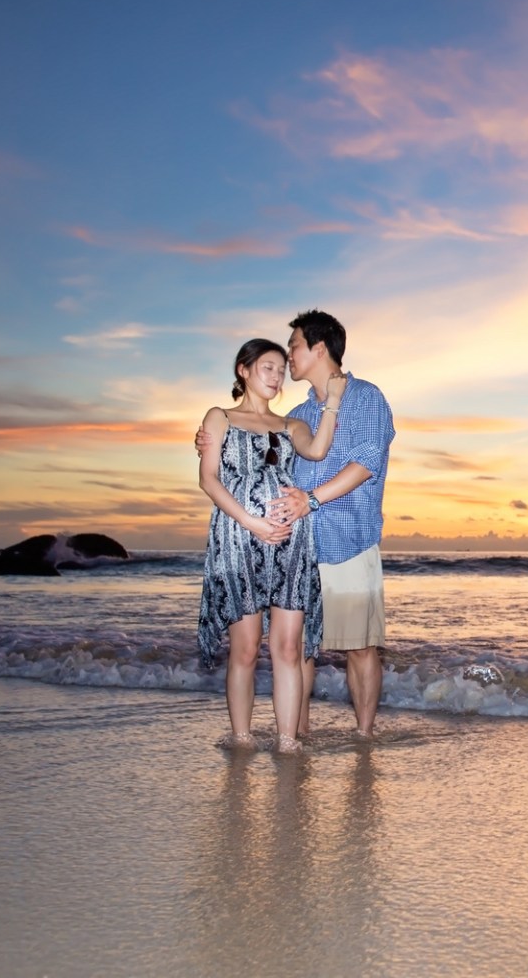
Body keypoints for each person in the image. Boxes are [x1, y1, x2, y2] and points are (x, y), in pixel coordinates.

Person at [198, 310, 395, 738]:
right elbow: (261, 460)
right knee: (297, 649)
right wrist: (212, 439)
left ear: (318, 349)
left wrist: (310, 500)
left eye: (293, 346)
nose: (288, 357)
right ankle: (298, 737)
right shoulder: (300, 413)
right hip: (295, 548)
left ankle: (363, 737)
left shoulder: (366, 397)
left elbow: (365, 463)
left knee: (359, 645)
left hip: (348, 540)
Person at [197, 338, 345, 753]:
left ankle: (286, 741)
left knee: (286, 646)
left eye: (281, 369)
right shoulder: (218, 417)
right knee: (244, 650)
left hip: (290, 542)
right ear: (243, 369)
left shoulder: (290, 425)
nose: (277, 376)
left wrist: (331, 400)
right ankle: (242, 738)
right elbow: (209, 479)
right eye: (267, 367)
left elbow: (317, 449)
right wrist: (251, 522)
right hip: (239, 538)